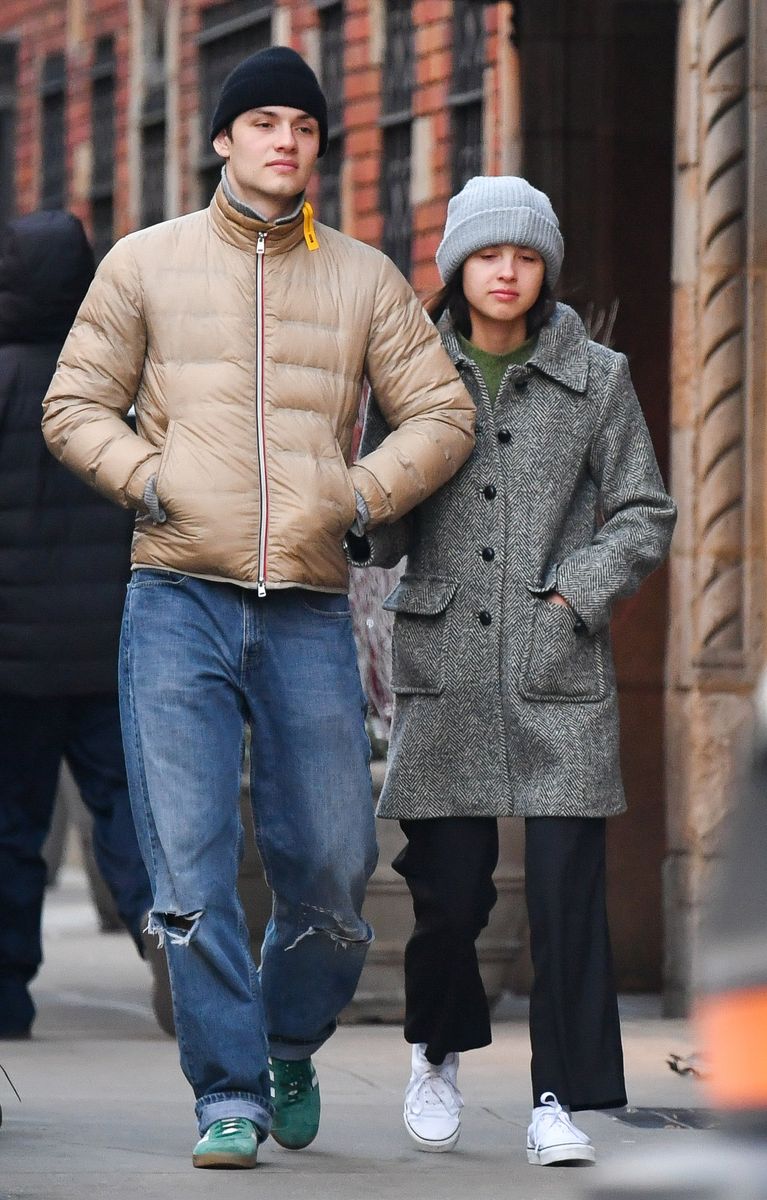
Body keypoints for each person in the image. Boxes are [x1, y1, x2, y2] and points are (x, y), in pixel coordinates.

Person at [41, 47, 475, 1170]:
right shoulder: (145, 264)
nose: (286, 139)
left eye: (304, 125)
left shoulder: (364, 278)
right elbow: (74, 402)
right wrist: (149, 479)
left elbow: (439, 411)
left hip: (307, 609)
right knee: (186, 870)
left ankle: (287, 1036)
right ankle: (225, 1089)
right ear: (224, 140)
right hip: (175, 596)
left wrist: (360, 492)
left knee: (331, 865)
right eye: (264, 122)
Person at [347, 176, 677, 1164]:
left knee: (565, 895)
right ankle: (436, 1052)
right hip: (443, 663)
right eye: (487, 254)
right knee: (448, 894)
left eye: (523, 256)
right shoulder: (412, 372)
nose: (504, 271)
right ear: (456, 268)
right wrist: (364, 499)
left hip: (553, 669)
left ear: (544, 270)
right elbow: (385, 514)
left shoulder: (598, 376)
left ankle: (555, 1101)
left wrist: (575, 596)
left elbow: (641, 510)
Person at [0, 210, 157, 1038]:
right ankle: (165, 944)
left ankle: (6, 996)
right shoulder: (119, 380)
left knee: (13, 830)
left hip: (14, 665)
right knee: (131, 812)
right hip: (110, 647)